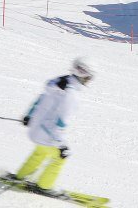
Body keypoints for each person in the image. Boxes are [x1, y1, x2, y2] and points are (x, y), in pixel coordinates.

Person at [12, 58, 95, 194]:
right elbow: (60, 122)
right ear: (83, 74)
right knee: (60, 156)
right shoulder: (71, 94)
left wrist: (29, 115)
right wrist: (61, 144)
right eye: (89, 77)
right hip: (47, 133)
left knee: (41, 152)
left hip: (36, 128)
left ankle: (20, 176)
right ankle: (44, 186)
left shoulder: (58, 81)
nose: (89, 80)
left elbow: (40, 100)